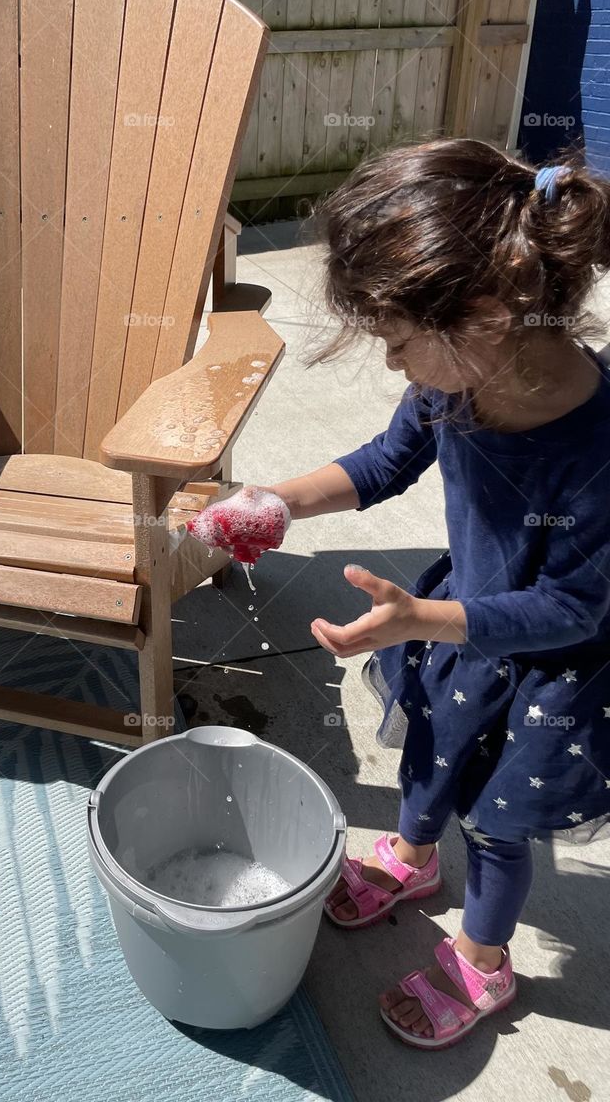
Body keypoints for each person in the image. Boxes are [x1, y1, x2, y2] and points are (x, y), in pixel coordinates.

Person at [224, 139, 610, 1048]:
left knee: (500, 826)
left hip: (549, 681)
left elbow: (575, 609)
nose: (396, 367)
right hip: (455, 631)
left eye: (398, 343)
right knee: (431, 755)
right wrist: (276, 501)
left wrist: (419, 618)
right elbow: (384, 463)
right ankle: (408, 857)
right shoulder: (461, 385)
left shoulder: (595, 450)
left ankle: (483, 961)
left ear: (485, 311)